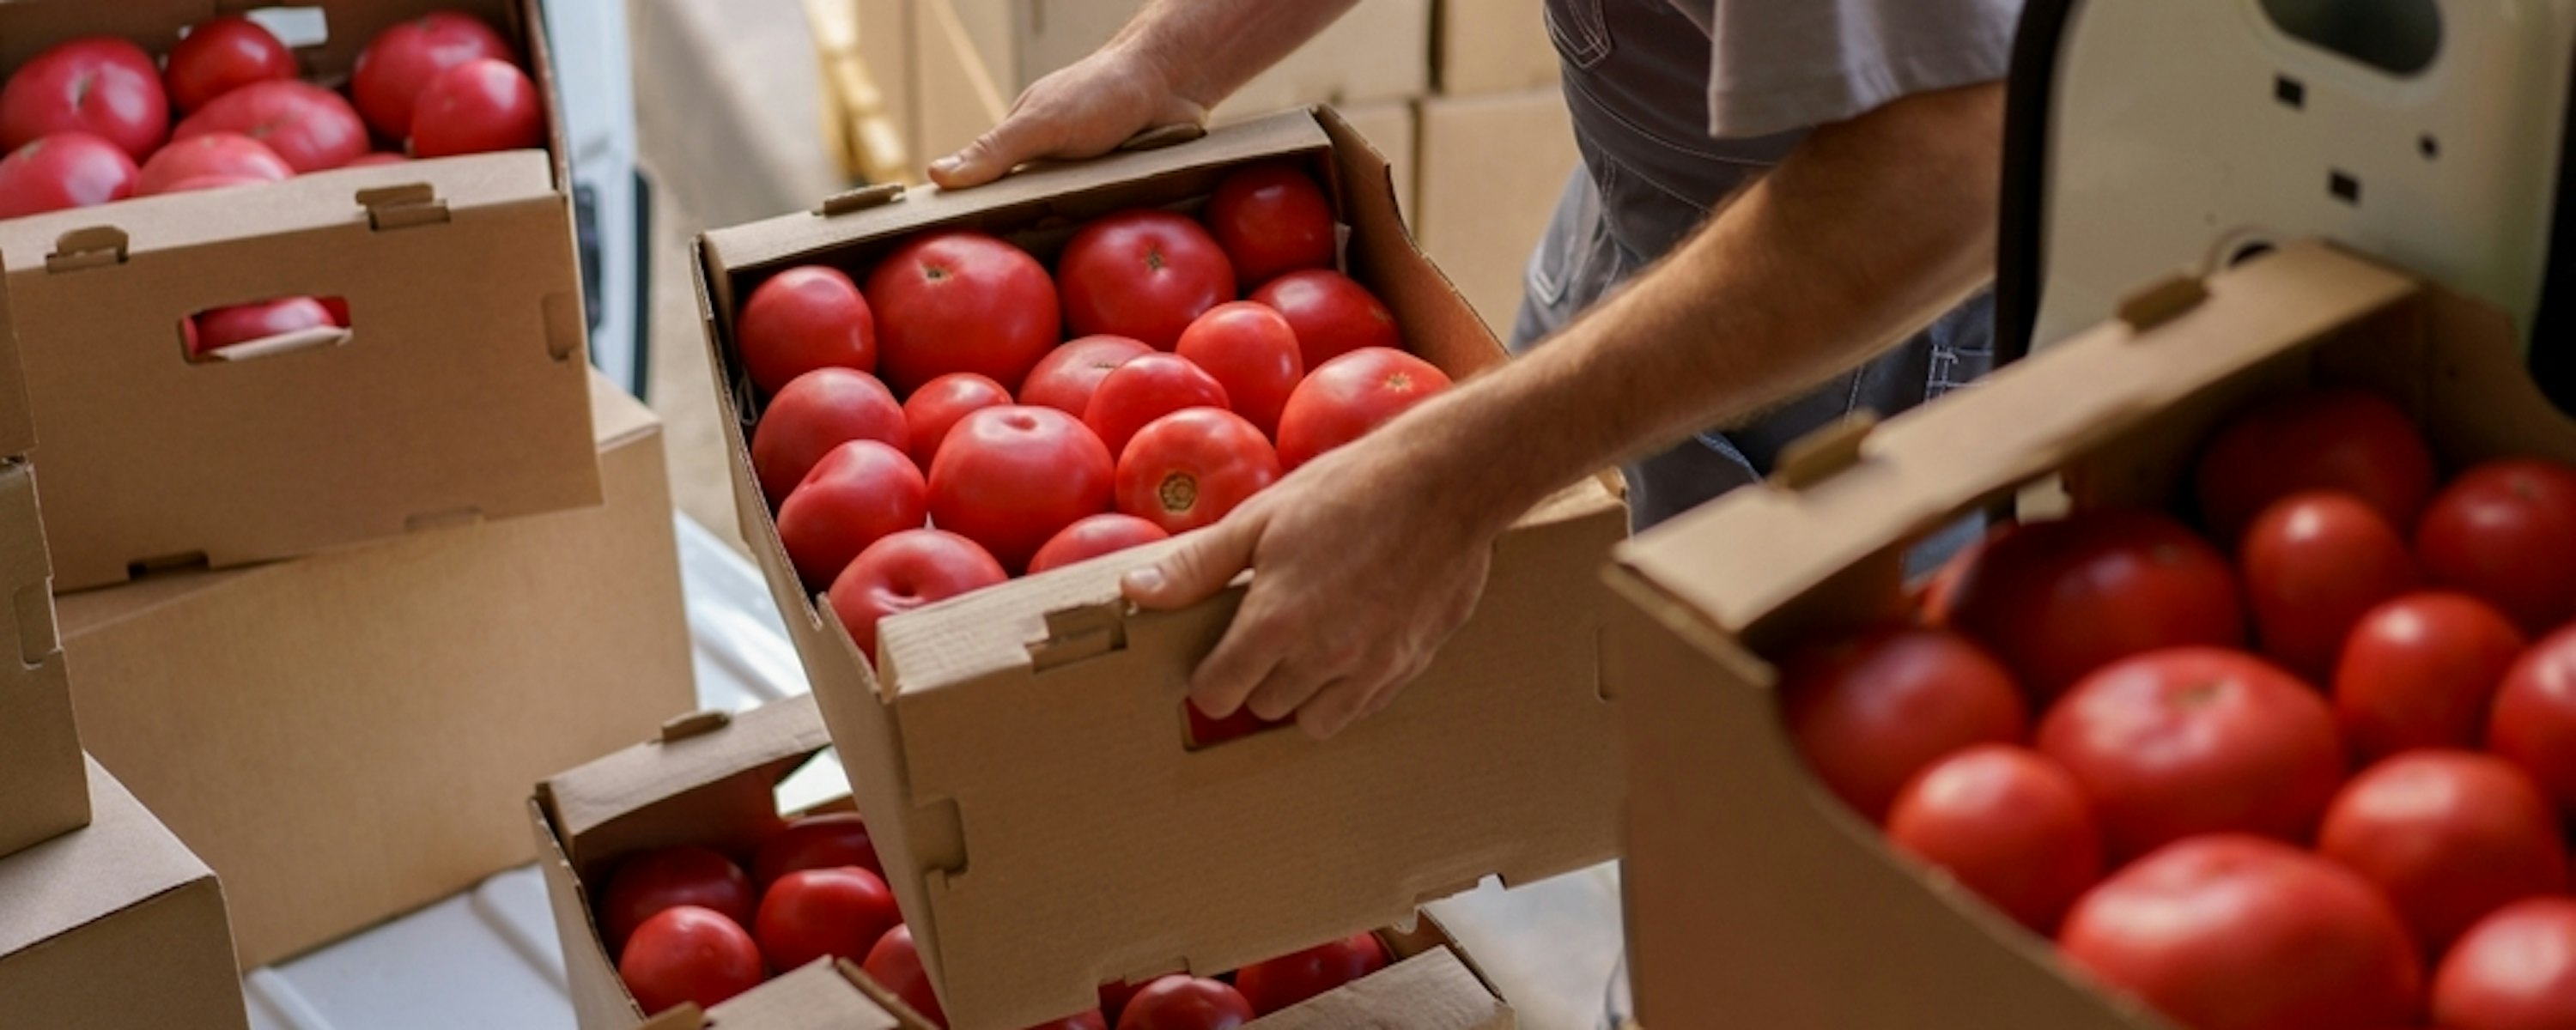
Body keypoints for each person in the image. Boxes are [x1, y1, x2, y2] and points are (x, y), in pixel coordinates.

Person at [931, 0, 2020, 740]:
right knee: (1593, 741)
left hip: (1873, 338)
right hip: (1653, 234)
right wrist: (1168, 59)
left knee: (1770, 861)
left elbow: (1953, 163)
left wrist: (1458, 477)